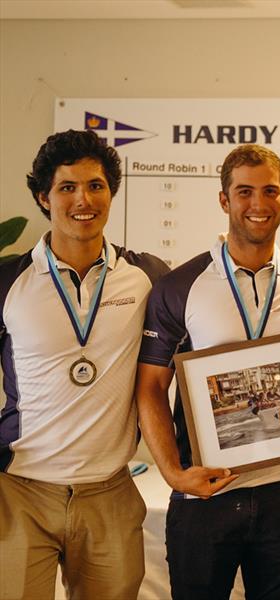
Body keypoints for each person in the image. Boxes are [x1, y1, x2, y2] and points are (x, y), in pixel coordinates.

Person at [135, 144, 280, 600]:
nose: (258, 204)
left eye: (269, 191)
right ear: (224, 200)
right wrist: (174, 474)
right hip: (207, 492)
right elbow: (150, 388)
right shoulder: (180, 286)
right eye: (244, 192)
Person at [0, 129, 169, 599]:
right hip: (20, 491)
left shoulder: (147, 276)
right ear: (43, 196)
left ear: (110, 193)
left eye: (96, 186)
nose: (83, 199)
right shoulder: (9, 281)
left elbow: (215, 303)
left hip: (108, 492)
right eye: (67, 187)